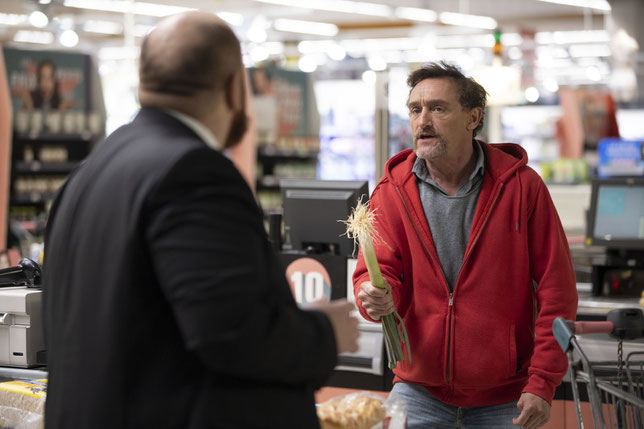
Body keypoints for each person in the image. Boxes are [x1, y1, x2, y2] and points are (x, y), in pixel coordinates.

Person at [43, 11, 359, 429]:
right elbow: (233, 335)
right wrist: (324, 332)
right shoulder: (192, 172)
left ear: (143, 82)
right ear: (234, 87)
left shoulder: (90, 171)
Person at [353, 61, 577, 429]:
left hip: (506, 399)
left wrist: (543, 381)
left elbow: (558, 291)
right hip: (417, 390)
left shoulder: (522, 188)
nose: (423, 121)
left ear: (473, 117)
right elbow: (379, 273)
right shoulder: (391, 192)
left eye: (438, 109)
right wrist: (376, 295)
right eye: (415, 109)